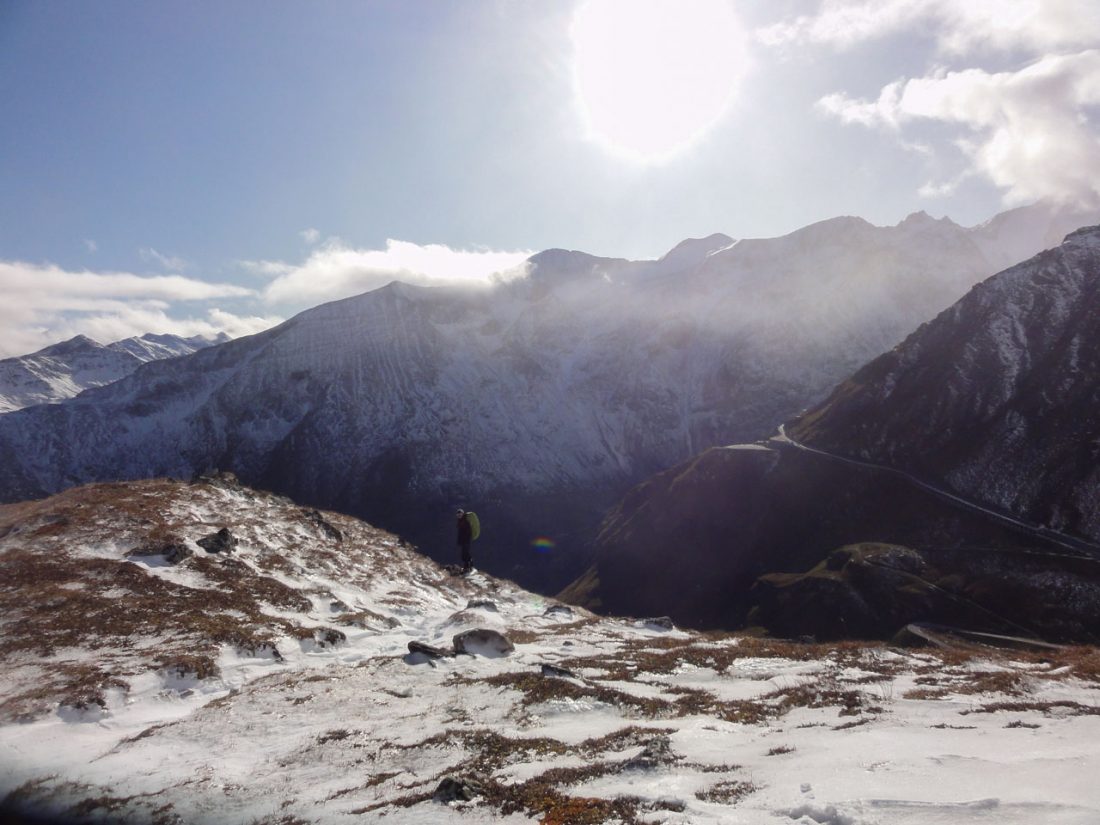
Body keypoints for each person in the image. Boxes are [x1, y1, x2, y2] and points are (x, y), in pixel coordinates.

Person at [456, 509, 473, 573]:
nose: (459, 515)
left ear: (462, 514)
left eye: (460, 514)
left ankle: (467, 567)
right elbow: (460, 533)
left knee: (465, 554)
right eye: (458, 515)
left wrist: (465, 539)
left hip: (466, 541)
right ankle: (469, 566)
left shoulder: (465, 521)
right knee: (465, 554)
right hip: (464, 541)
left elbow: (468, 532)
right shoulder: (461, 521)